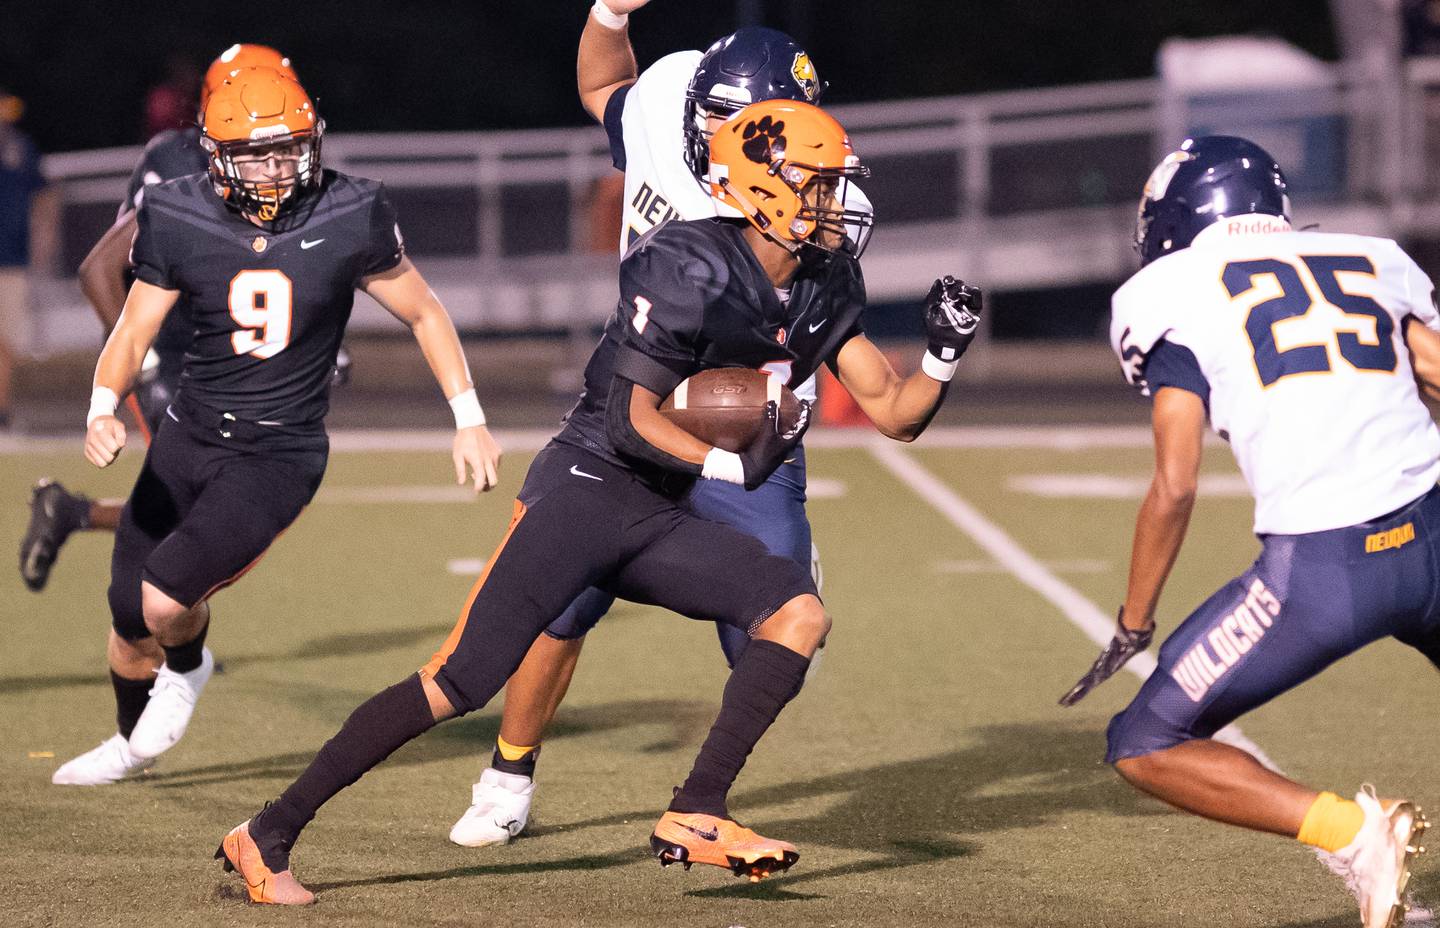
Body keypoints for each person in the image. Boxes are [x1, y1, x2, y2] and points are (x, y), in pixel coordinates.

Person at [215, 98, 980, 904]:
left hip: (659, 506)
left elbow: (895, 413)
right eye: (818, 184)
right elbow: (629, 418)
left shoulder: (823, 280)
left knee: (799, 614)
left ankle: (696, 810)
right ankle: (267, 832)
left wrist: (941, 356)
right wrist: (731, 467)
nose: (837, 203)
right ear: (764, 188)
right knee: (457, 680)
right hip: (587, 485)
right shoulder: (689, 263)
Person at [450, 0, 873, 848]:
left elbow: (824, 304)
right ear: (699, 108)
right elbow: (605, 80)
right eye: (731, 120)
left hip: (743, 418)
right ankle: (507, 773)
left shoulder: (803, 183)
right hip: (635, 401)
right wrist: (607, 11)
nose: (747, 137)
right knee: (562, 601)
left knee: (780, 637)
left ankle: (699, 797)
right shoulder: (666, 95)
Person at [51, 67, 502, 787]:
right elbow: (135, 327)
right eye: (256, 154)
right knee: (126, 613)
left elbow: (423, 311)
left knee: (165, 598)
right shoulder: (179, 212)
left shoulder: (348, 210)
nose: (275, 168)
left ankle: (189, 667)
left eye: (289, 150)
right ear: (215, 155)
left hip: (277, 450)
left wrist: (469, 418)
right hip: (188, 431)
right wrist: (102, 405)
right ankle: (130, 744)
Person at [1059, 135, 1435, 928]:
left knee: (1146, 741)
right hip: (1434, 525)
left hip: (1327, 569)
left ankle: (1357, 835)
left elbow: (1176, 482)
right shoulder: (1370, 256)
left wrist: (1134, 620)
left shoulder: (1170, 290)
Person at [20, 44, 307, 593]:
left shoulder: (264, 174)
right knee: (206, 505)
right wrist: (144, 362)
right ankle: (156, 634)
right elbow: (100, 269)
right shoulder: (182, 168)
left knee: (208, 504)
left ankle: (75, 516)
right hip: (168, 354)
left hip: (216, 360)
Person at [0, 85, 47, 430]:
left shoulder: (20, 147)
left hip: (11, 259)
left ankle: (2, 412)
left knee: (6, 342)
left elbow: (44, 193)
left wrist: (44, 237)